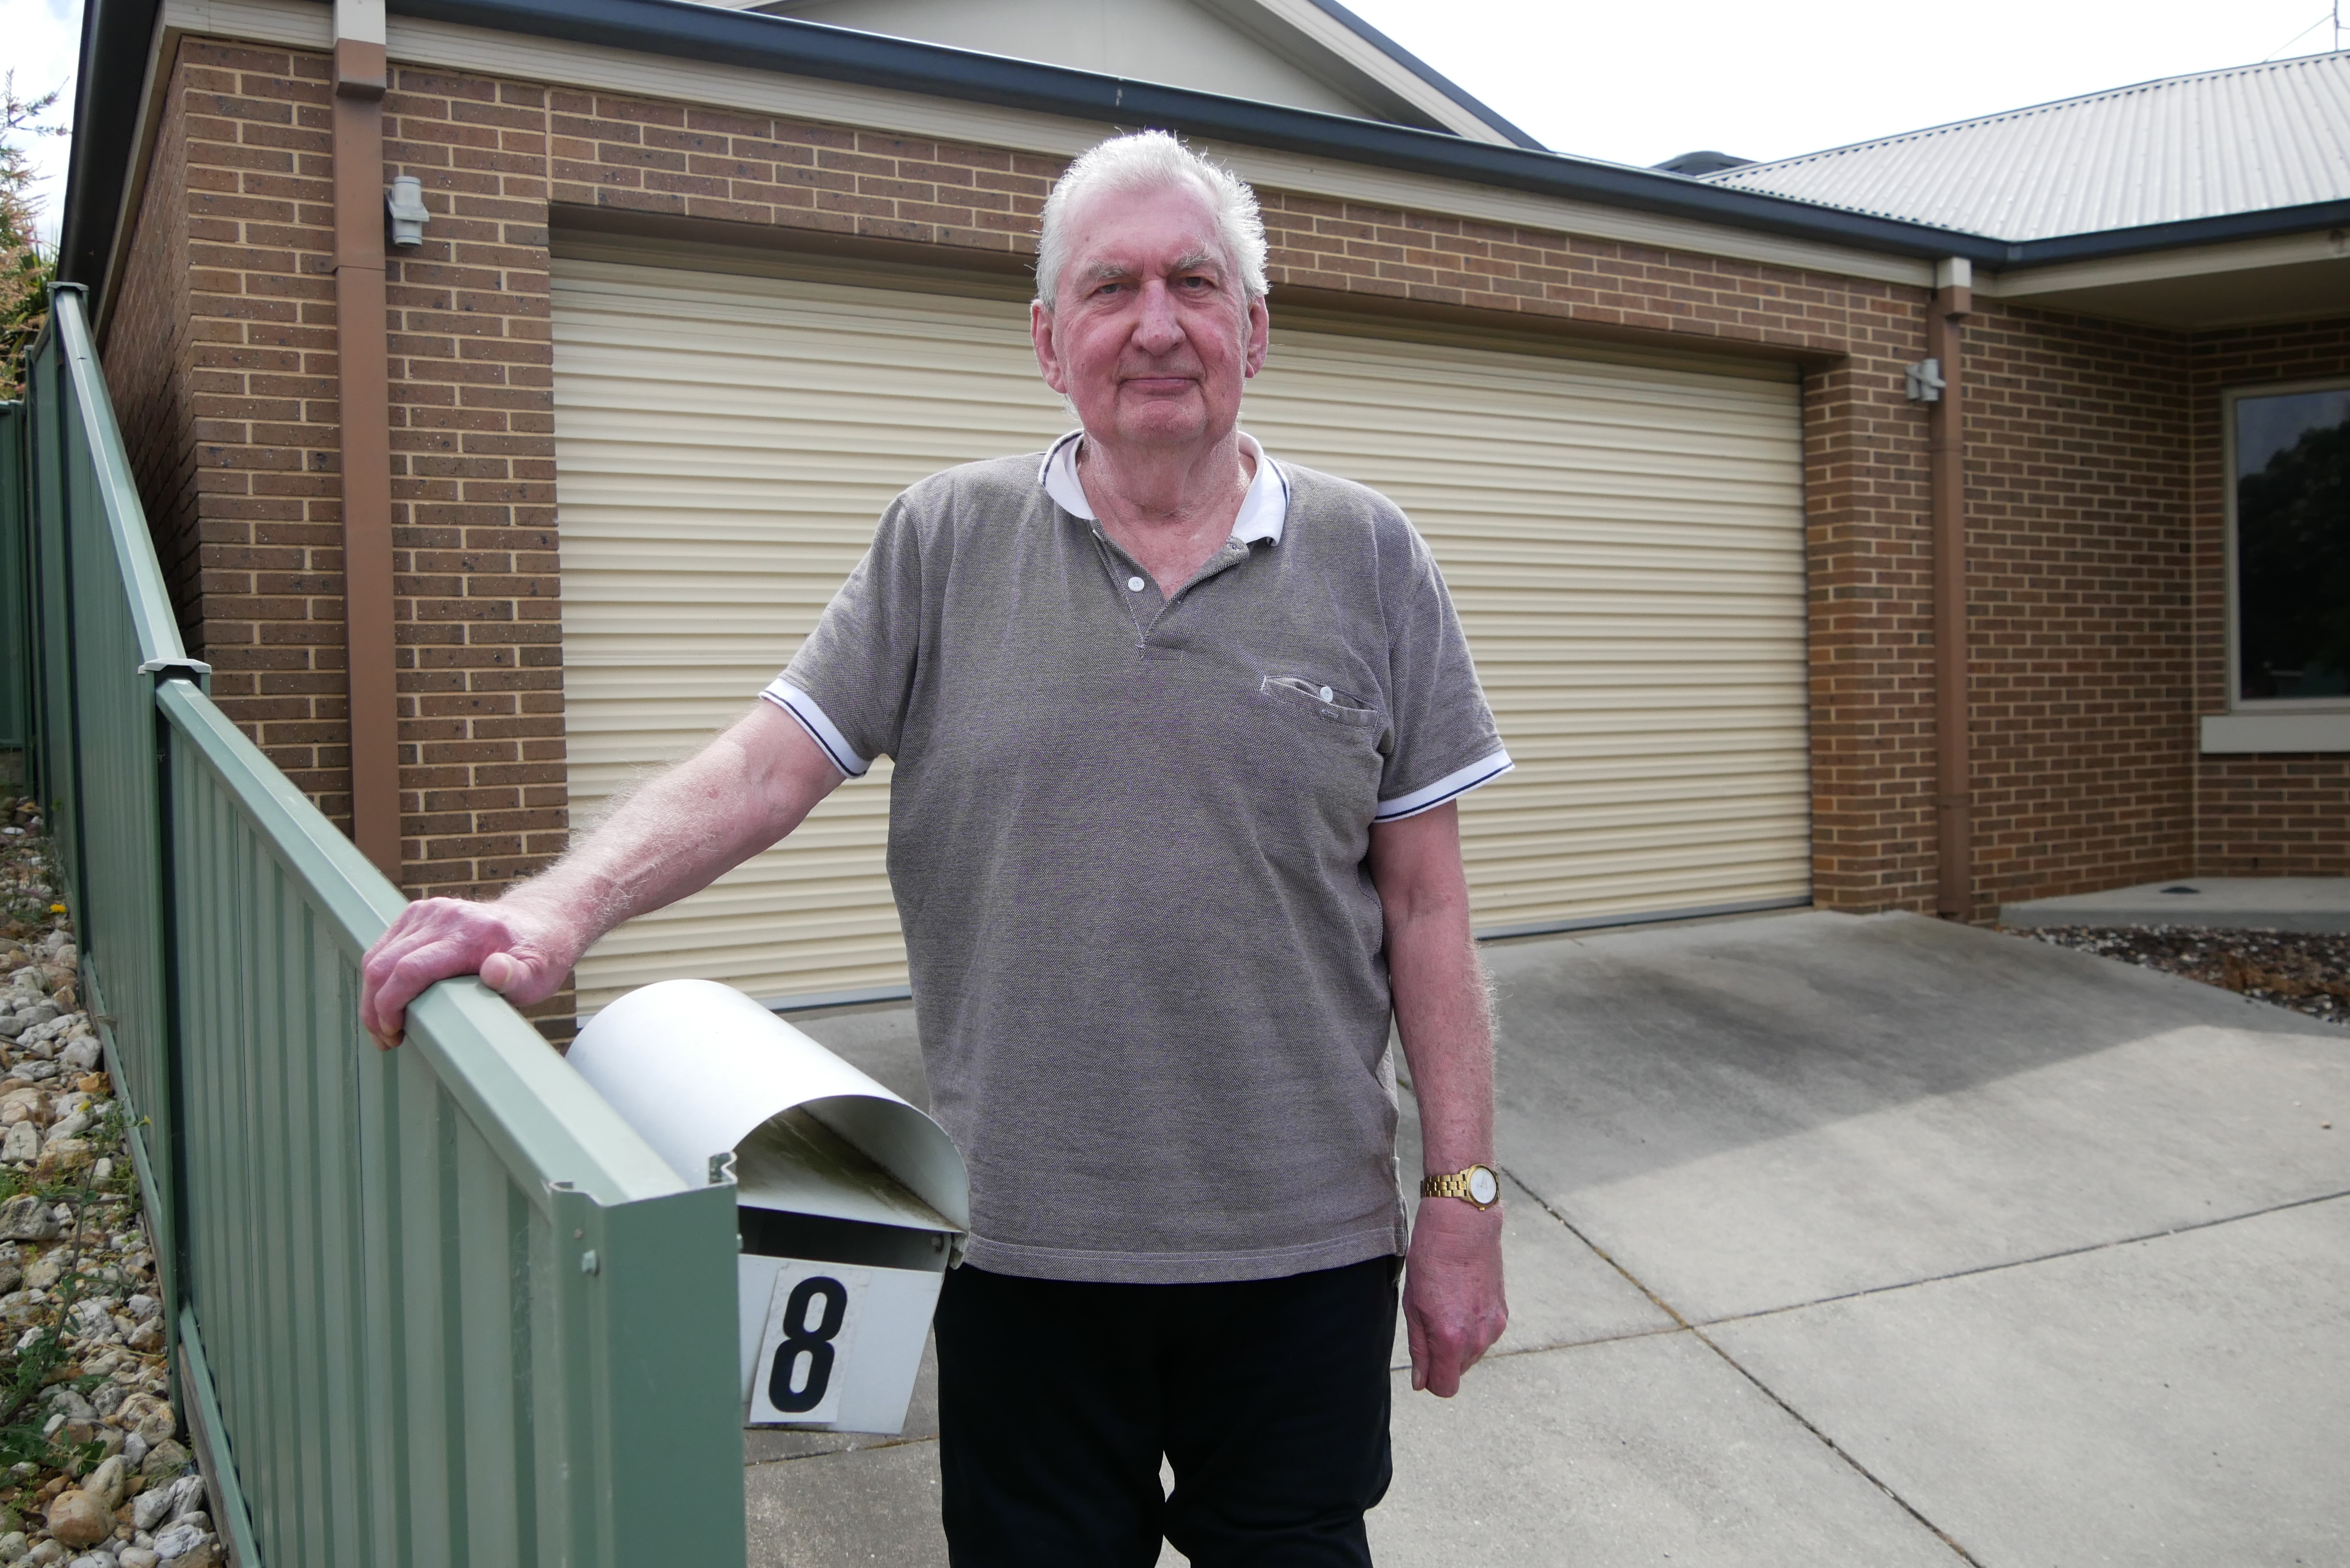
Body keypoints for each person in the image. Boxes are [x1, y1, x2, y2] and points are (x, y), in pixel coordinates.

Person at [360, 129, 1510, 1566]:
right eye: (1111, 289)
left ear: (1255, 330)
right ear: (1049, 342)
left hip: (1303, 1257)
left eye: (1195, 283)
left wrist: (1462, 1201)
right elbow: (762, 770)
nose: (1156, 323)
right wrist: (555, 914)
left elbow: (1429, 907)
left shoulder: (1373, 555)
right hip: (1022, 1255)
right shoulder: (944, 542)